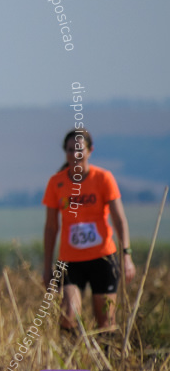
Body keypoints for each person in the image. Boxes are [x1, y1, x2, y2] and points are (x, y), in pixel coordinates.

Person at [42, 129, 134, 330]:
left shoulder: (103, 178)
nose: (74, 155)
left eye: (79, 149)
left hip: (103, 258)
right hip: (70, 261)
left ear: (90, 151)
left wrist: (126, 255)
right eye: (69, 150)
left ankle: (105, 358)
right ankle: (71, 358)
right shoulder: (56, 182)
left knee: (106, 322)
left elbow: (119, 219)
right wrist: (47, 265)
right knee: (68, 316)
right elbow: (50, 227)